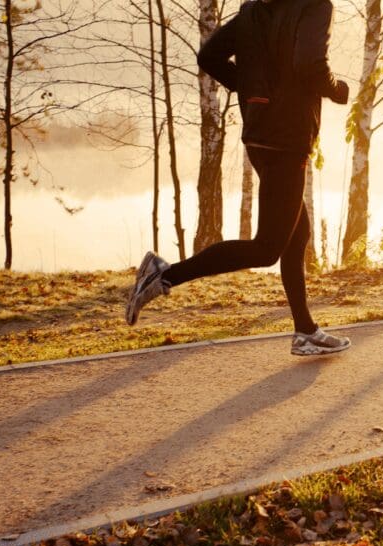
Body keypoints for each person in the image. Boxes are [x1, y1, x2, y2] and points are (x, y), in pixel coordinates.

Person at [125, 0, 352, 357]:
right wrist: (338, 90)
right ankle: (164, 274)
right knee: (267, 248)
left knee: (298, 234)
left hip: (260, 135)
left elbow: (209, 56)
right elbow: (310, 64)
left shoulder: (255, 11)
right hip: (287, 139)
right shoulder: (316, 5)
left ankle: (305, 331)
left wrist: (246, 90)